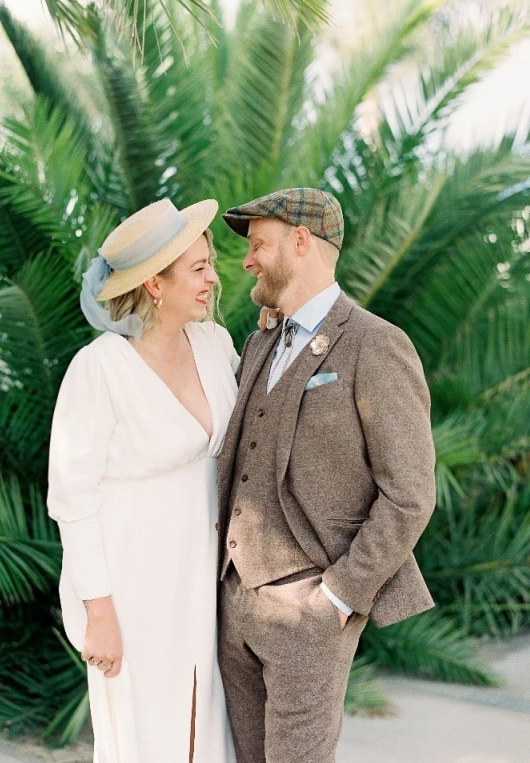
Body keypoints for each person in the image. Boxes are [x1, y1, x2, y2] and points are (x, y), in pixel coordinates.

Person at [217, 188, 437, 763]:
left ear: (301, 241)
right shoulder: (263, 338)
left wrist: (339, 596)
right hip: (232, 601)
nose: (246, 260)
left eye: (258, 244)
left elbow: (410, 495)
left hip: (310, 607)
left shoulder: (376, 344)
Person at [47, 197, 246, 763]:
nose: (214, 277)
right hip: (131, 587)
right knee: (142, 736)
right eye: (199, 268)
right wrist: (101, 615)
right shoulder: (99, 368)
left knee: (204, 731)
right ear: (156, 285)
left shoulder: (214, 345)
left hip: (204, 577)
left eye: (211, 263)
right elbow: (73, 501)